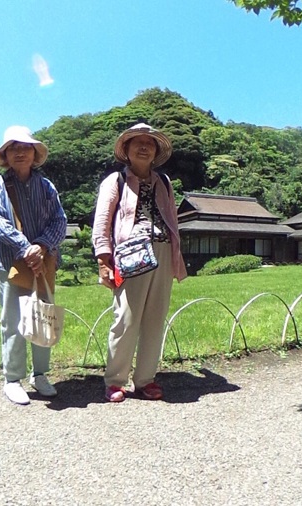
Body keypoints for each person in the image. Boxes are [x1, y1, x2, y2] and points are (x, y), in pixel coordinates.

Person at [92, 123, 187, 403]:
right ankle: (115, 380)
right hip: (130, 255)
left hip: (162, 251)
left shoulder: (164, 182)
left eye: (150, 143)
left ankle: (145, 379)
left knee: (155, 319)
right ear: (127, 149)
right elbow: (102, 222)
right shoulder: (115, 181)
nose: (144, 147)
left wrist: (176, 257)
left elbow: (172, 220)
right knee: (126, 318)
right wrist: (103, 260)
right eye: (138, 142)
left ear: (156, 151)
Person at [0, 126, 67, 405]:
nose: (20, 152)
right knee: (13, 320)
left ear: (34, 154)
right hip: (12, 263)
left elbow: (60, 221)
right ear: (5, 155)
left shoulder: (47, 186)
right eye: (13, 148)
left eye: (25, 147)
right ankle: (12, 378)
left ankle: (40, 374)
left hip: (43, 261)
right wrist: (26, 248)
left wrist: (41, 246)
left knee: (43, 316)